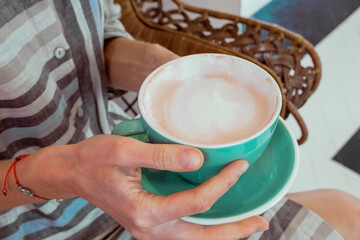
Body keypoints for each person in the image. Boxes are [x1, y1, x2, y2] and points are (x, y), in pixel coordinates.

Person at [0, 1, 359, 239]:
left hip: (126, 168)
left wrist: (154, 66)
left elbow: (100, 30)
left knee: (350, 211)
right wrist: (68, 171)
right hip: (31, 222)